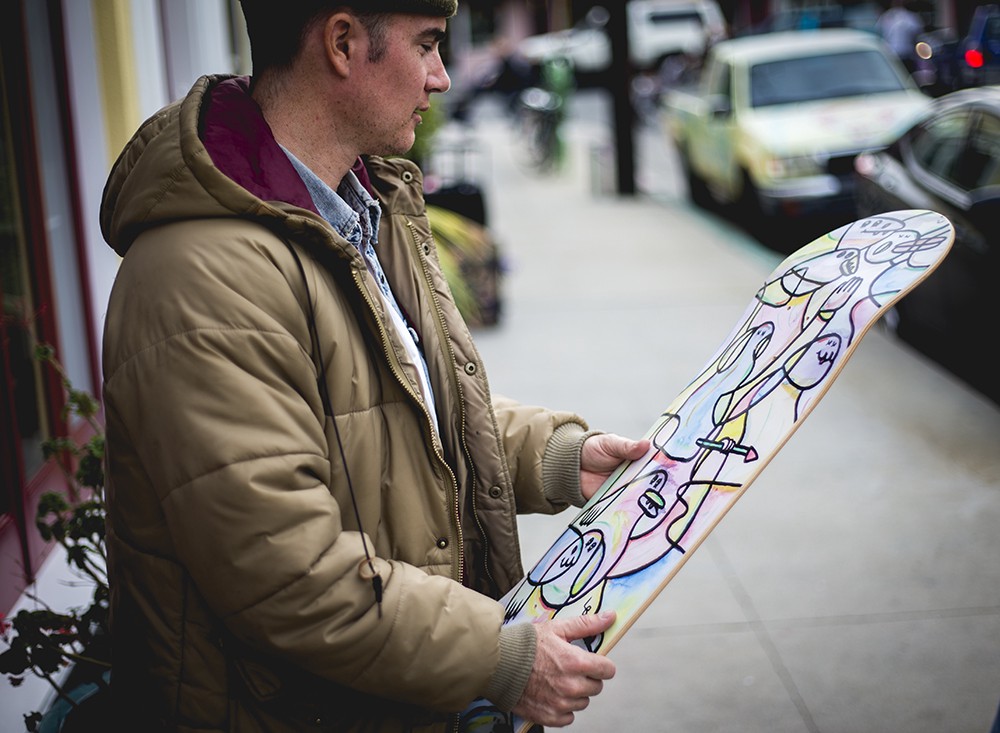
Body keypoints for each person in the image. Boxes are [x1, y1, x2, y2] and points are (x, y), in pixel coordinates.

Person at [98, 1, 650, 731]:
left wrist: (559, 456)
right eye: (426, 45)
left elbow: (404, 404)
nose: (443, 77)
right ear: (342, 41)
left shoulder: (355, 209)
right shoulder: (203, 276)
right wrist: (501, 657)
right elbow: (287, 574)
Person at [876, 0, 924, 73]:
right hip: (892, 55)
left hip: (905, 54)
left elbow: (917, 35)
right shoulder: (887, 16)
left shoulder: (909, 17)